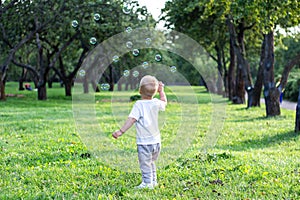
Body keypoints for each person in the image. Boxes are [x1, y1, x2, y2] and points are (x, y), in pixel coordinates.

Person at [112, 75, 167, 189]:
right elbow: (164, 102)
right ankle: (153, 181)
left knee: (145, 164)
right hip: (156, 142)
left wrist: (121, 131)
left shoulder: (139, 105)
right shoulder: (156, 102)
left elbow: (132, 119)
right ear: (155, 91)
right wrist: (162, 91)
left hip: (144, 143)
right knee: (151, 162)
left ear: (140, 90)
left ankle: (147, 183)